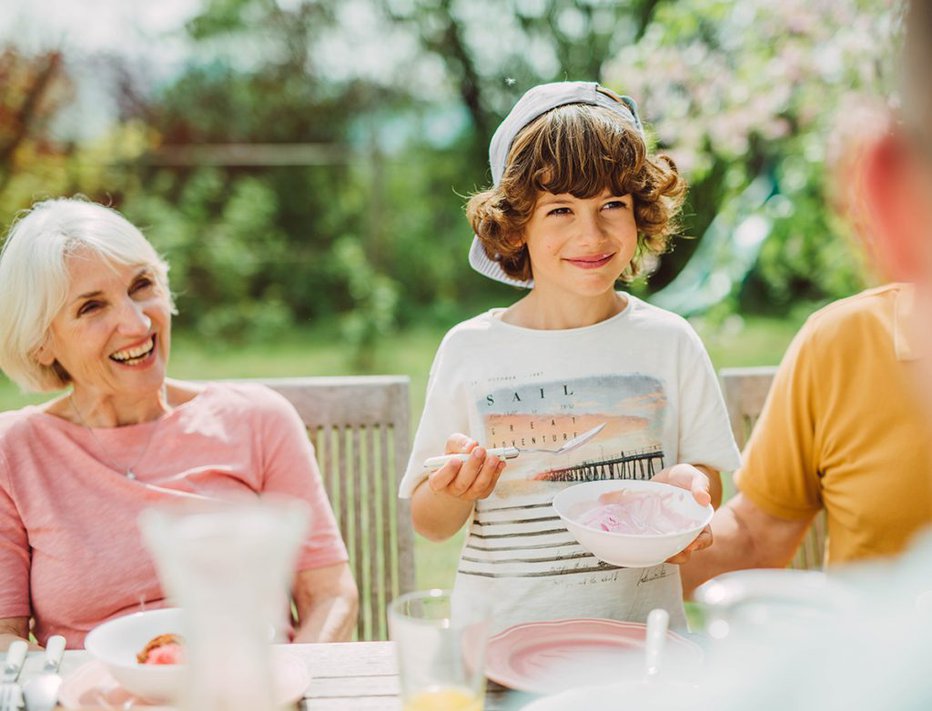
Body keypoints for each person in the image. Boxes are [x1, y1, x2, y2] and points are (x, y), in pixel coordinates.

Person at [398, 81, 741, 632]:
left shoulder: (670, 341)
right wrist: (455, 489)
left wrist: (688, 491)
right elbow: (429, 523)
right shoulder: (471, 349)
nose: (591, 232)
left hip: (640, 644)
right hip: (500, 649)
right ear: (517, 225)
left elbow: (706, 480)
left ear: (640, 213)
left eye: (613, 204)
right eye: (560, 209)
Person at [0, 197, 358, 650]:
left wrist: (291, 682)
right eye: (92, 307)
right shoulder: (14, 451)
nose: (135, 323)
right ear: (40, 344)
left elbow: (330, 595)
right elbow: (5, 637)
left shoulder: (258, 419)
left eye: (141, 285)